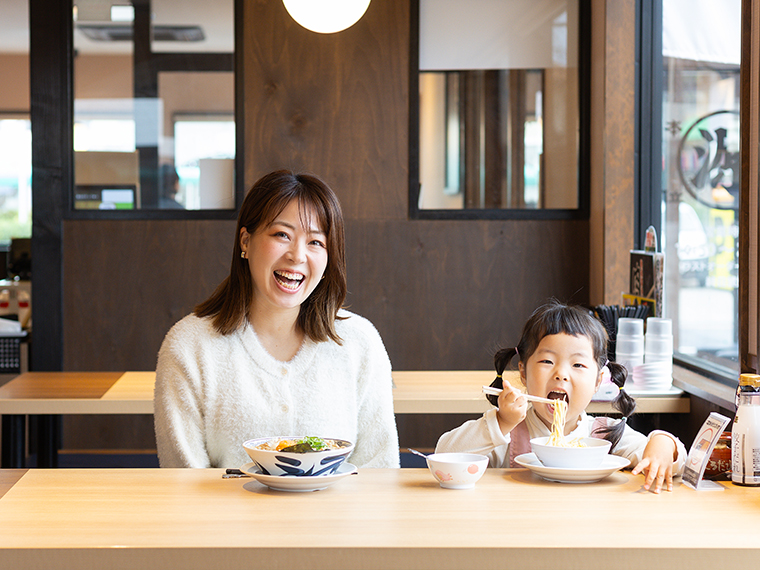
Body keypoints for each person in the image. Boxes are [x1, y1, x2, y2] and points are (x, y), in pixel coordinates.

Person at [154, 170, 399, 469]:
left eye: (316, 242)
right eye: (282, 235)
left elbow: (380, 471)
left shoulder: (359, 342)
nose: (297, 255)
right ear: (246, 241)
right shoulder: (190, 345)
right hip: (224, 517)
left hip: (337, 517)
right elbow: (183, 482)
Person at [436, 300, 687, 493]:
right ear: (522, 371)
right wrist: (501, 421)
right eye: (547, 361)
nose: (561, 374)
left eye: (578, 365)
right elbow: (444, 454)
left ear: (599, 380)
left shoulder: (605, 434)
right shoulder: (508, 431)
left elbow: (671, 460)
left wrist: (664, 444)